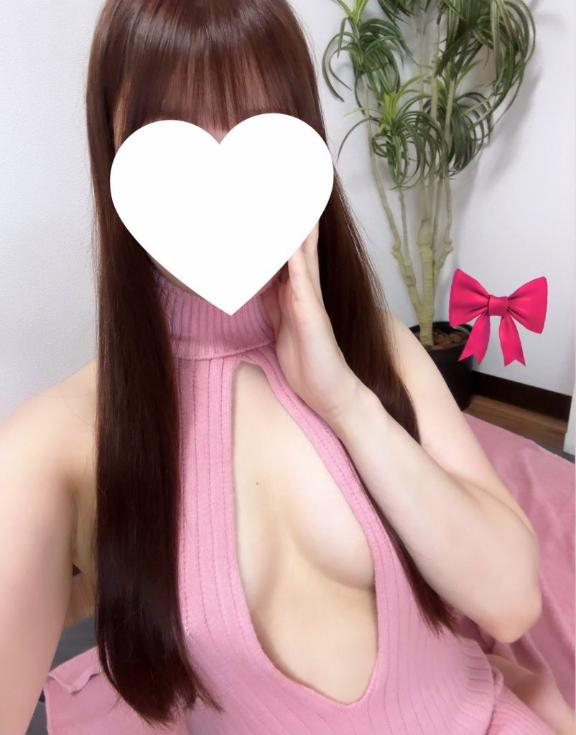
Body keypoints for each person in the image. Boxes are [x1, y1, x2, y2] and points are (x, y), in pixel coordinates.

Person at [1, 0, 574, 733]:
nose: (221, 179)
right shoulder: (58, 441)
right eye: (170, 130)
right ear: (111, 150)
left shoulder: (371, 344)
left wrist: (347, 403)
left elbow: (512, 603)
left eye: (256, 124)